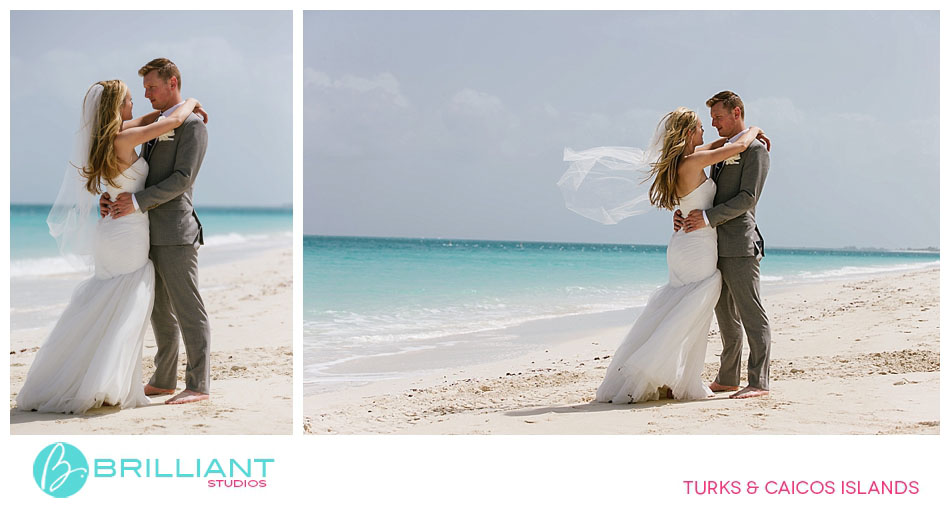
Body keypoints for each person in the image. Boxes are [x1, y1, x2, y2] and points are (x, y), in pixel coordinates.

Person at [16, 79, 205, 414]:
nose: (137, 104)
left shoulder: (105, 138)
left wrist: (164, 110)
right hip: (128, 232)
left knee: (108, 300)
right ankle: (103, 381)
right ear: (118, 107)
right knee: (127, 305)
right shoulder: (124, 138)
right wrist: (191, 100)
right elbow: (172, 122)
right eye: (130, 100)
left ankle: (91, 376)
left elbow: (152, 120)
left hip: (111, 229)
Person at [563, 106, 766, 404]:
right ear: (687, 133)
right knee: (689, 314)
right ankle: (660, 372)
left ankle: (667, 376)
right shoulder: (695, 160)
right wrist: (755, 129)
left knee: (679, 308)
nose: (704, 131)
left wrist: (681, 213)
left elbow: (718, 147)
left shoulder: (680, 161)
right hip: (697, 246)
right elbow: (736, 146)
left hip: (683, 242)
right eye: (699, 127)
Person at [102, 58, 212, 405]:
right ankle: (164, 379)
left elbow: (183, 179)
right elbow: (136, 171)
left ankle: (198, 385)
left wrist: (135, 202)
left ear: (172, 82)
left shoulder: (192, 124)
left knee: (187, 308)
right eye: (144, 89)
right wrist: (113, 196)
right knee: (158, 310)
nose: (147, 94)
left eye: (152, 87)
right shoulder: (158, 123)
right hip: (145, 231)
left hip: (177, 231)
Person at [674, 91, 772, 400]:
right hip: (712, 245)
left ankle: (759, 382)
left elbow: (748, 198)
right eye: (711, 119)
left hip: (740, 245)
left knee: (751, 314)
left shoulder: (755, 150)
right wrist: (686, 211)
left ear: (737, 112)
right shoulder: (724, 149)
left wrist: (706, 217)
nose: (714, 124)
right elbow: (703, 189)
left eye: (718, 117)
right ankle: (728, 378)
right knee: (726, 318)